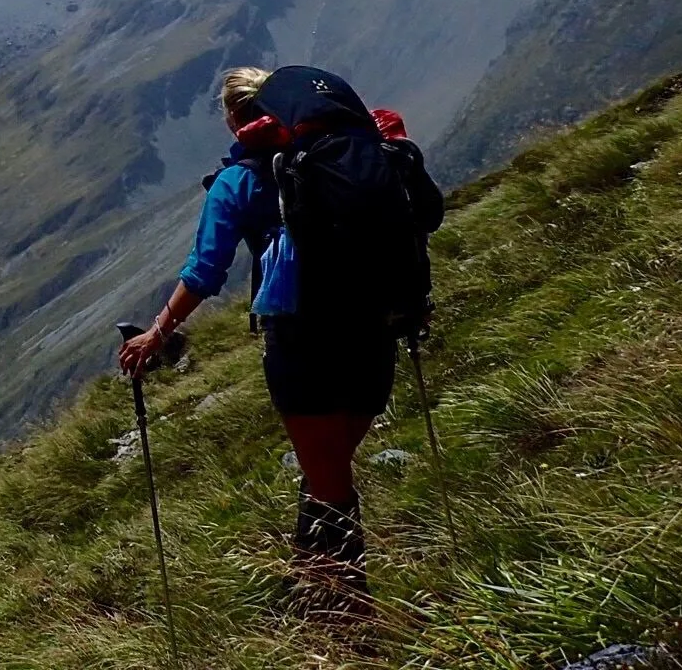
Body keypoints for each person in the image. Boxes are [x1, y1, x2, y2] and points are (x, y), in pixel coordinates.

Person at [116, 63, 443, 608]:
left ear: (233, 119)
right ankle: (310, 586)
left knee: (330, 479)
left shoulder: (240, 180)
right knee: (327, 470)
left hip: (302, 341)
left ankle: (341, 615)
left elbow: (205, 270)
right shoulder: (354, 155)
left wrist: (156, 332)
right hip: (374, 329)